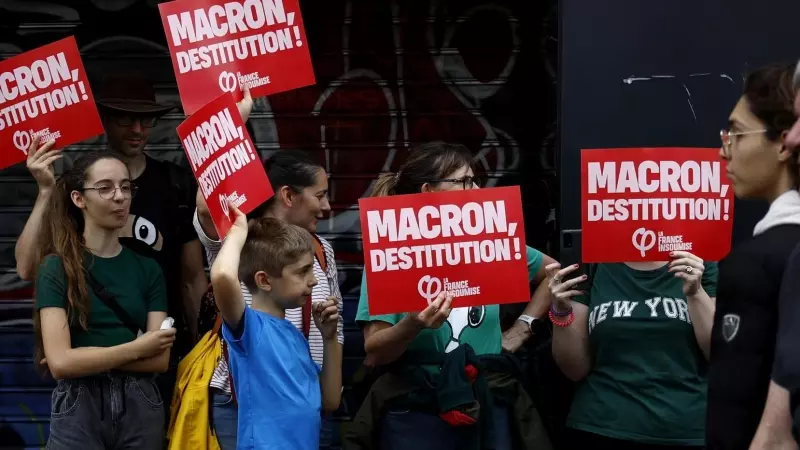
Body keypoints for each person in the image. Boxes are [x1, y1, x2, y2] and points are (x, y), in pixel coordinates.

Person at [15, 74, 209, 409]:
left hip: (157, 353)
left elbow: (193, 280)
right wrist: (47, 190)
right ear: (105, 120)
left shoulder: (174, 185)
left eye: (146, 119)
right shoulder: (77, 185)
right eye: (125, 118)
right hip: (88, 359)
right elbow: (27, 267)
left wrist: (199, 352)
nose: (137, 129)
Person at [350, 141, 557, 450]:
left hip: (488, 402)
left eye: (475, 180)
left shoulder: (489, 241)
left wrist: (521, 328)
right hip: (418, 411)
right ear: (427, 191)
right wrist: (413, 324)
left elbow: (554, 272)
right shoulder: (391, 252)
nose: (475, 188)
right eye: (464, 181)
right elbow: (375, 352)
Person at [193, 149, 344, 449]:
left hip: (305, 400)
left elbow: (331, 395)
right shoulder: (240, 239)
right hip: (247, 404)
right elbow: (207, 208)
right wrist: (237, 230)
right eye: (320, 195)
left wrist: (328, 337)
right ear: (289, 195)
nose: (327, 206)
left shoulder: (321, 250)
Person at [33, 151, 178, 449]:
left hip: (140, 402)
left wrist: (81, 358)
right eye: (105, 188)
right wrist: (137, 348)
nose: (120, 197)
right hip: (79, 404)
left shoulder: (148, 269)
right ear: (79, 199)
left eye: (126, 187)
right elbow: (61, 364)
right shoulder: (56, 267)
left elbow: (159, 360)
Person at [705, 62, 800, 450]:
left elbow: (740, 415)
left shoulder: (756, 263)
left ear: (782, 143)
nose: (725, 150)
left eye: (738, 135)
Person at [548, 238, 717, 444]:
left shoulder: (699, 262)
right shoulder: (593, 261)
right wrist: (561, 311)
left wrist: (696, 292)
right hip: (602, 426)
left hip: (685, 428)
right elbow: (574, 369)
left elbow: (718, 356)